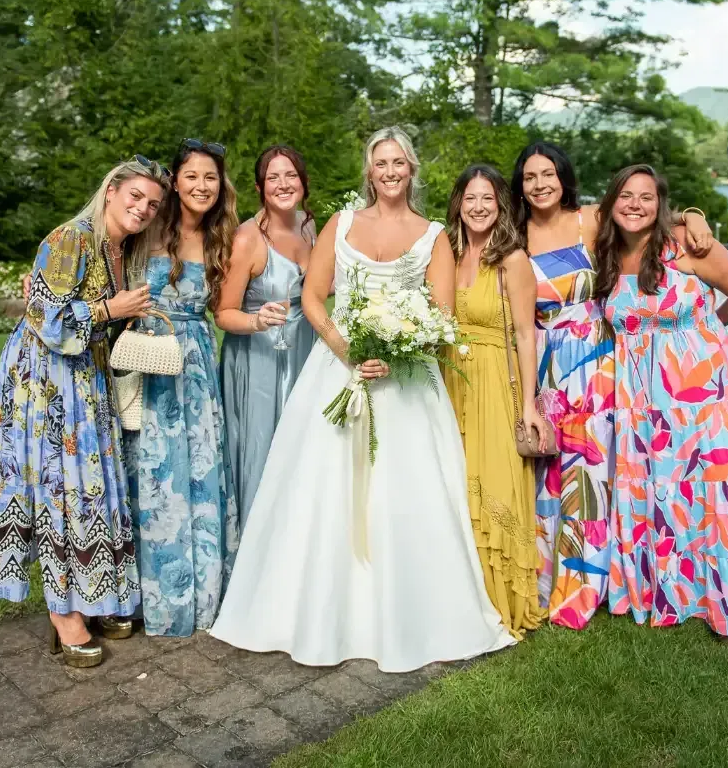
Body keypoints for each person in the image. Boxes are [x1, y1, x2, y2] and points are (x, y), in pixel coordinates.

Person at [210, 127, 515, 672]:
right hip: (338, 368)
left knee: (405, 493)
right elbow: (313, 295)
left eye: (399, 162)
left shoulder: (434, 235)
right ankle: (320, 612)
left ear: (412, 169)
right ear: (369, 170)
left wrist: (397, 350)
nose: (391, 171)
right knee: (322, 491)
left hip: (406, 382)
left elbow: (441, 317)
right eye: (381, 162)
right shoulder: (340, 223)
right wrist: (346, 349)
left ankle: (406, 614)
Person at [512, 142, 713, 630]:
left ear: (563, 177)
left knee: (603, 473)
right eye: (530, 177)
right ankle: (553, 578)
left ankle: (599, 583)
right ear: (520, 186)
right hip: (551, 366)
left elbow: (645, 215)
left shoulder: (589, 220)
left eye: (548, 174)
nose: (540, 184)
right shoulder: (513, 235)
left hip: (604, 363)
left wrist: (692, 213)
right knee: (554, 474)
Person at [0, 157, 169, 667]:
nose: (142, 208)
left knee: (88, 488)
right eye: (135, 196)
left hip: (86, 377)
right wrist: (109, 311)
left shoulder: (120, 249)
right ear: (111, 190)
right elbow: (46, 318)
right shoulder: (71, 238)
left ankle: (90, 597)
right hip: (43, 380)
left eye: (152, 204)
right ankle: (62, 614)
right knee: (57, 488)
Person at [593, 164, 728, 646]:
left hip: (701, 398)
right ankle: (666, 595)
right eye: (625, 195)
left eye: (646, 197)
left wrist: (701, 336)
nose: (634, 205)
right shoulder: (606, 253)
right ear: (611, 202)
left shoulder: (687, 245)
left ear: (660, 204)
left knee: (714, 493)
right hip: (640, 402)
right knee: (657, 493)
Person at [124, 138, 239, 637]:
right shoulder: (145, 226)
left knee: (195, 469)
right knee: (150, 472)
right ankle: (143, 598)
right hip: (146, 360)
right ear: (175, 179)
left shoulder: (221, 238)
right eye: (191, 175)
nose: (201, 185)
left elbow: (228, 304)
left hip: (193, 368)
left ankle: (201, 594)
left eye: (210, 177)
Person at [441, 164, 548, 639]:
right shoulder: (446, 252)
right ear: (458, 204)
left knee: (492, 486)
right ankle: (454, 598)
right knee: (452, 487)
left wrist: (529, 404)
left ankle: (499, 600)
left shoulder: (512, 259)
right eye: (470, 198)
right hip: (447, 379)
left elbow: (526, 335)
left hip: (492, 384)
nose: (479, 207)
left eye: (488, 198)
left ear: (500, 204)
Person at [216, 146, 318, 526]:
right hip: (258, 360)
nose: (283, 184)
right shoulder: (246, 239)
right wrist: (257, 321)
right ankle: (254, 548)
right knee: (264, 451)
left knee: (302, 451)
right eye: (273, 177)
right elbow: (223, 312)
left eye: (290, 175)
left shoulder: (308, 225)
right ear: (260, 188)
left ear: (303, 183)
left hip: (304, 351)